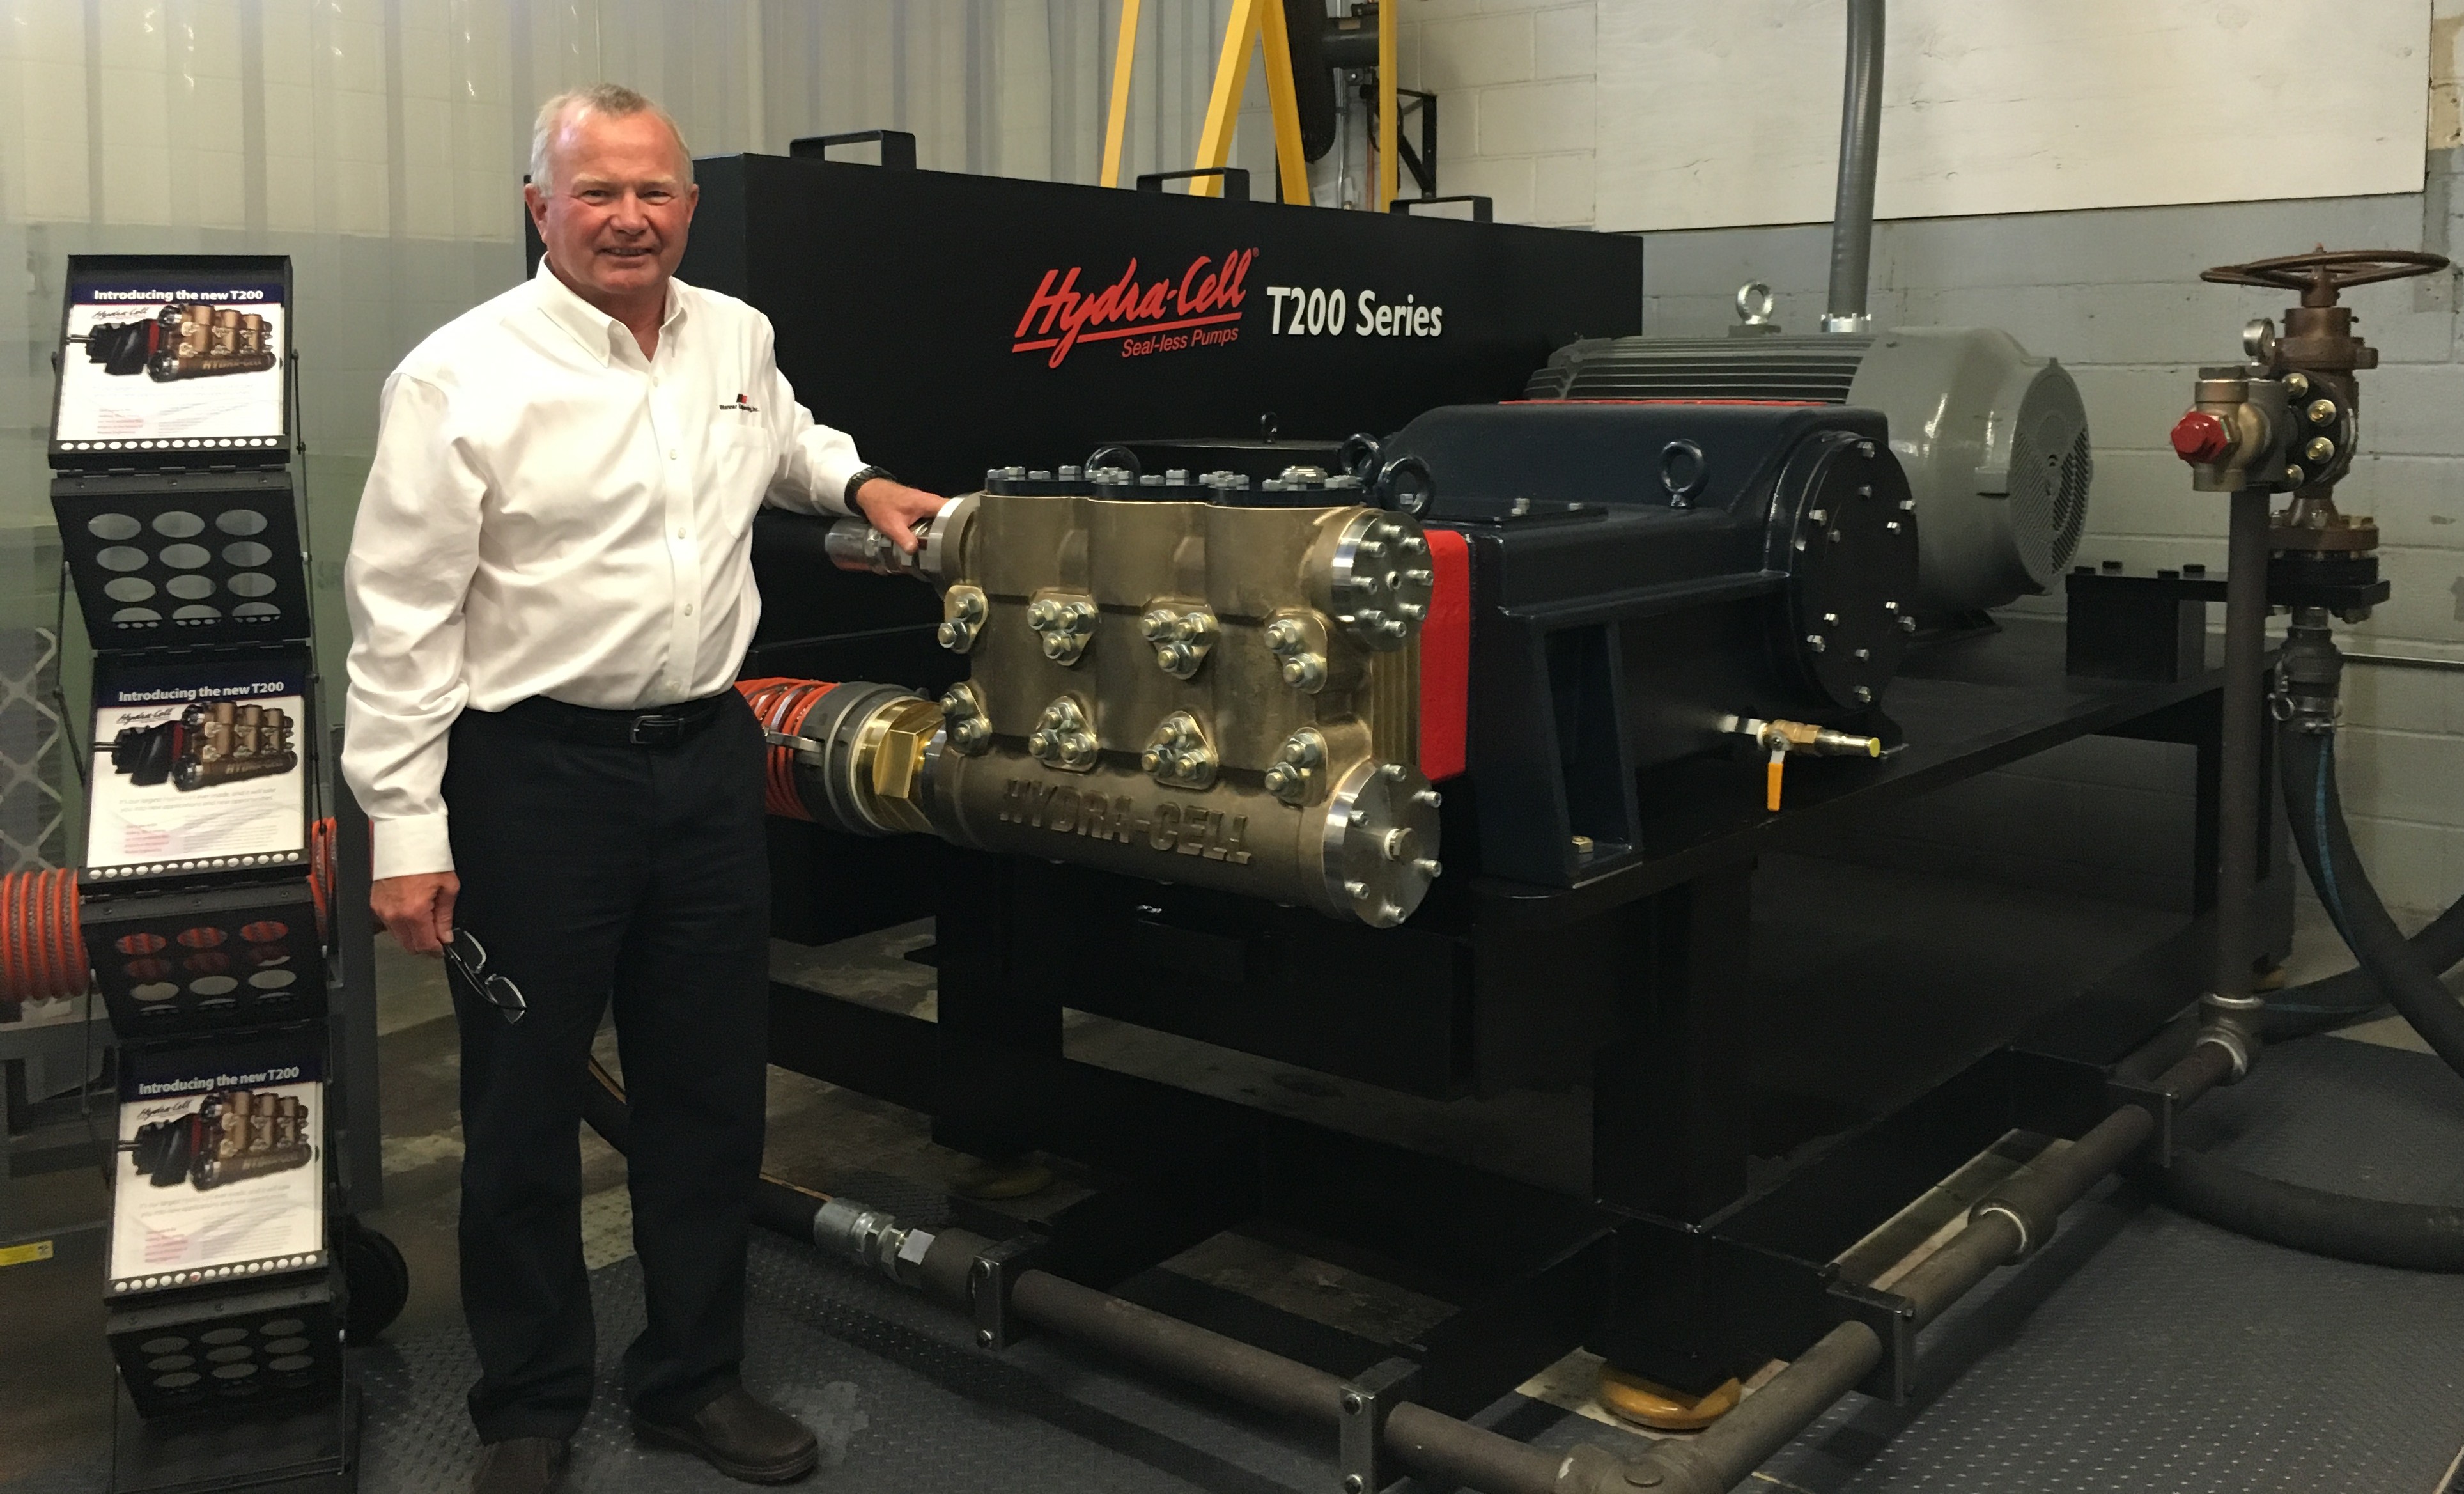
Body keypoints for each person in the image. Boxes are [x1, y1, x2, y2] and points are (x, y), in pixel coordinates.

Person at [341, 84, 944, 1494]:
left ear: (689, 202)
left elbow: (783, 437)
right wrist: (406, 827)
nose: (629, 218)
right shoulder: (457, 375)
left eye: (654, 190)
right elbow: (401, 618)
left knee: (707, 1088)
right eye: (596, 192)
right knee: (523, 1101)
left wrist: (860, 485)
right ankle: (528, 1400)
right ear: (539, 208)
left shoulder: (735, 335)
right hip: (532, 776)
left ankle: (691, 1377)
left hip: (705, 763)